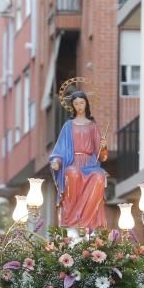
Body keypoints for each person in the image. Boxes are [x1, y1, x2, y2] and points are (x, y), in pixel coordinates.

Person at [49, 91, 109, 230]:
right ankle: (72, 219)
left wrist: (103, 147)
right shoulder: (68, 126)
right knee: (72, 173)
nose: (79, 106)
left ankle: (84, 220)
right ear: (73, 106)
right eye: (76, 104)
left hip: (90, 163)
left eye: (82, 102)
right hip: (73, 162)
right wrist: (56, 161)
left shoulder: (92, 126)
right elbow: (60, 150)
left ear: (86, 103)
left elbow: (102, 156)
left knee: (99, 177)